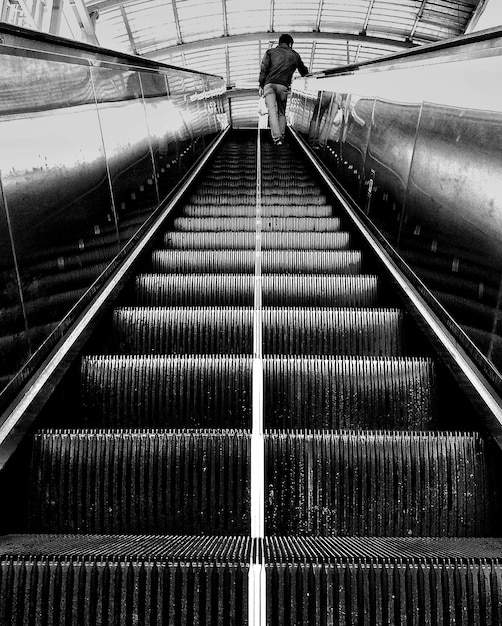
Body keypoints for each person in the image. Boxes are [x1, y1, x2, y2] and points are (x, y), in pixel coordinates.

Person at [259, 34, 309, 146]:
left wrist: (261, 85)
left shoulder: (270, 52)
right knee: (281, 113)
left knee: (272, 112)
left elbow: (263, 70)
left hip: (269, 85)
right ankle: (282, 137)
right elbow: (304, 72)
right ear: (290, 43)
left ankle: (276, 138)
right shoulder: (295, 55)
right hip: (283, 86)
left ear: (279, 42)